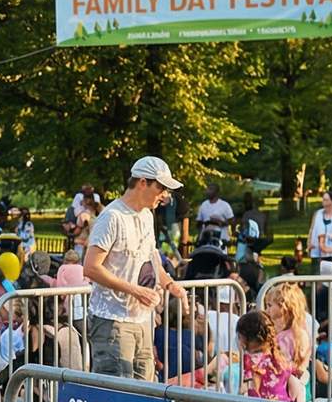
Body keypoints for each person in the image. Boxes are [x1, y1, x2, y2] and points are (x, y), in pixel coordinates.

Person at [83, 157, 187, 379]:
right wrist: (135, 290)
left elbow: (151, 258)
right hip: (112, 321)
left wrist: (169, 284)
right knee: (117, 397)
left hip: (141, 320)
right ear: (142, 182)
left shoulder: (147, 216)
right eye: (161, 187)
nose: (165, 195)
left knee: (146, 392)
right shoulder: (112, 217)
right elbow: (91, 268)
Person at [194, 183, 234, 249]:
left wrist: (221, 222)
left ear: (217, 192)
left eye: (211, 189)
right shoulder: (204, 205)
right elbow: (199, 223)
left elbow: (232, 221)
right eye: (207, 189)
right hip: (206, 239)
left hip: (221, 240)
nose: (208, 191)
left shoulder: (224, 205)